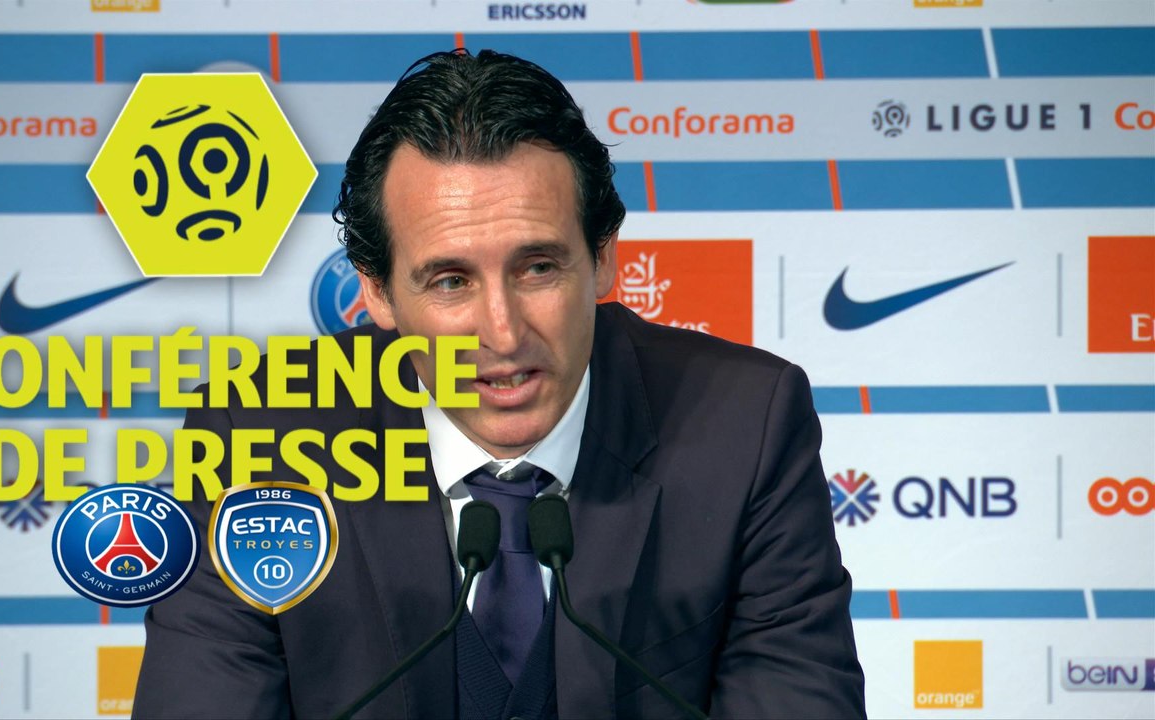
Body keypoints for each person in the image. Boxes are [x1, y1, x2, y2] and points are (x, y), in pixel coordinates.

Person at [134, 49, 865, 719]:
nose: (504, 333)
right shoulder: (260, 434)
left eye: (538, 268)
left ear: (603, 259)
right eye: (450, 281)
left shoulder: (745, 424)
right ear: (378, 293)